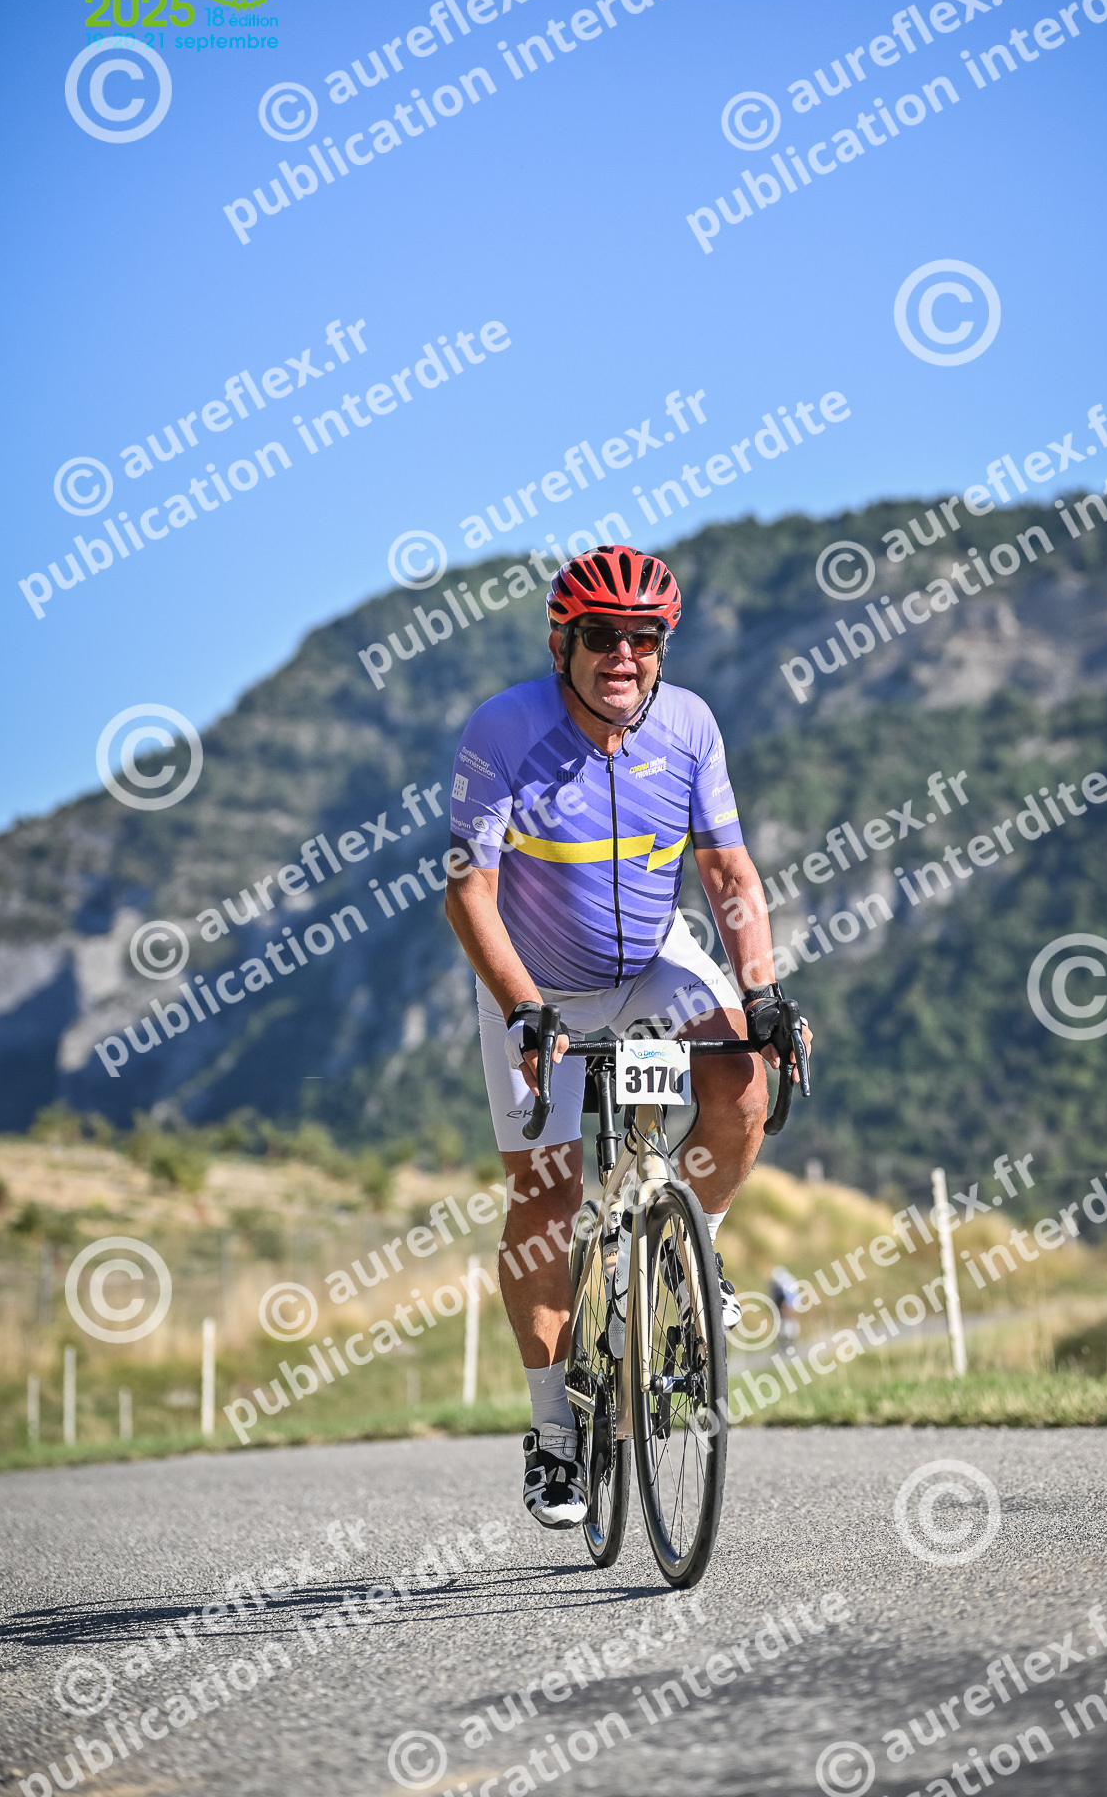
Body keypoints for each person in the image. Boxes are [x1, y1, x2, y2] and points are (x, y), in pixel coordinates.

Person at [445, 544, 811, 1528]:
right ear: (561, 643)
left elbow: (727, 873)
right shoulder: (503, 730)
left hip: (652, 963)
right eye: (601, 635)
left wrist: (763, 992)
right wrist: (522, 1008)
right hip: (534, 988)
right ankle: (552, 1435)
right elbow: (467, 891)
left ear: (661, 648)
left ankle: (691, 1255)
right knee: (545, 1198)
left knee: (741, 1080)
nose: (622, 655)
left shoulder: (689, 726)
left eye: (642, 638)